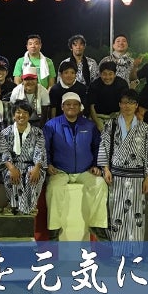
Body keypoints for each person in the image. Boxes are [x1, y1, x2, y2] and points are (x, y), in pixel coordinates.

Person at [98, 89, 148, 258]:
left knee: (136, 214)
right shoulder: (111, 125)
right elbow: (104, 146)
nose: (127, 106)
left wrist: (147, 177)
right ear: (120, 104)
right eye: (124, 102)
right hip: (116, 175)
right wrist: (105, 169)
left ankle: (134, 252)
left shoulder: (143, 128)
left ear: (136, 105)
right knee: (116, 213)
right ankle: (117, 252)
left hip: (137, 177)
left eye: (131, 103)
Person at [43, 92, 109, 241]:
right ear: (62, 107)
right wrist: (48, 164)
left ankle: (97, 225)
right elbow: (44, 147)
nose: (71, 107)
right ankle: (54, 229)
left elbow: (97, 147)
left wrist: (96, 165)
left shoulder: (89, 126)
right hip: (60, 171)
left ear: (80, 107)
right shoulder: (51, 125)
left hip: (84, 170)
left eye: (75, 104)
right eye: (68, 104)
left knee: (100, 184)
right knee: (54, 188)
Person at [0, 101, 47, 215]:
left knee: (33, 175)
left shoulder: (38, 132)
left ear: (29, 115)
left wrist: (36, 168)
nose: (21, 115)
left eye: (25, 112)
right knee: (11, 175)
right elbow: (4, 152)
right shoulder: (5, 133)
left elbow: (40, 151)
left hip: (32, 164)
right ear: (13, 115)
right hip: (11, 165)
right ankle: (13, 205)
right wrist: (11, 168)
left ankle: (31, 205)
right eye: (18, 112)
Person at [88, 61, 130, 132]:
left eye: (110, 74)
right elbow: (91, 107)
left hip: (117, 114)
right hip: (98, 115)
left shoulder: (122, 84)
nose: (107, 77)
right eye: (104, 74)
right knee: (100, 131)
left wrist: (119, 121)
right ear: (100, 74)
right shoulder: (94, 85)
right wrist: (98, 123)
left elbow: (125, 103)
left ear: (115, 74)